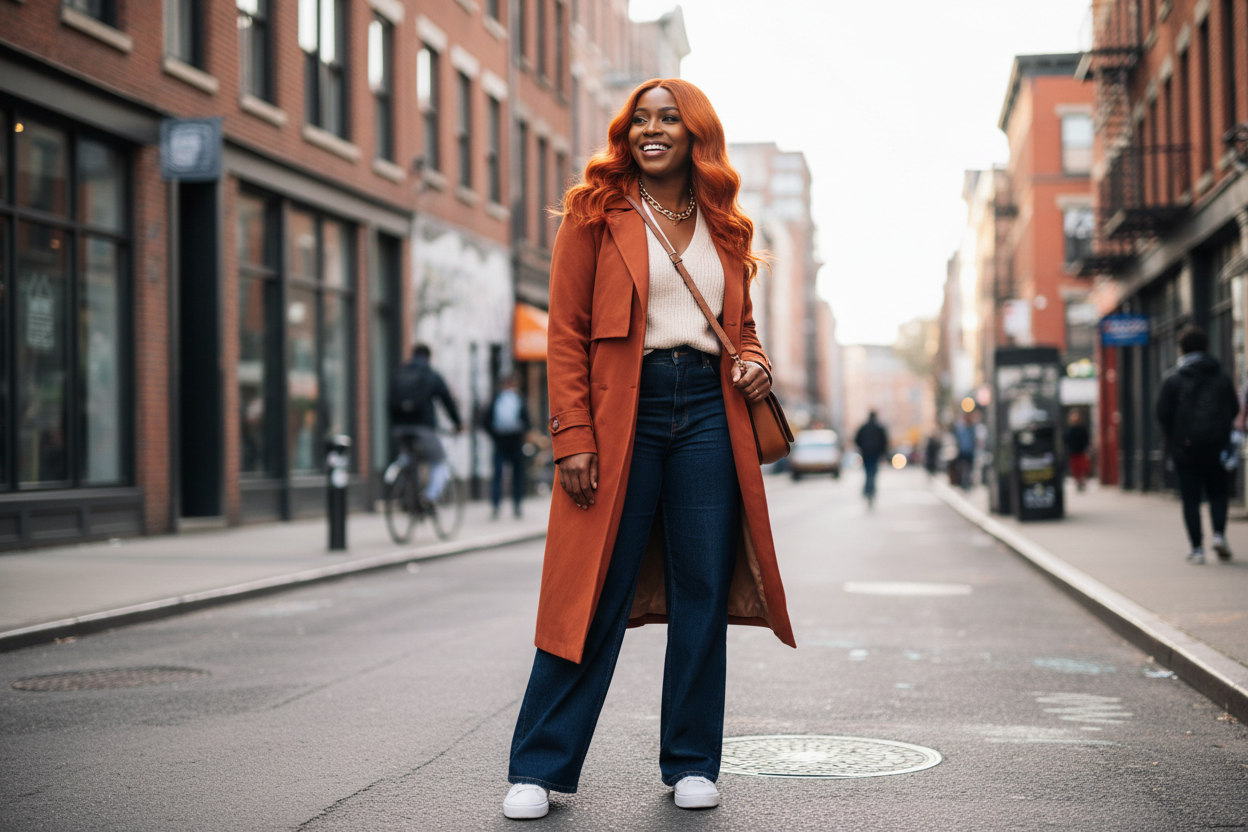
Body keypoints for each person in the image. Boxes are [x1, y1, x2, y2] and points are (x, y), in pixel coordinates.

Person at [502, 78, 795, 820]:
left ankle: (692, 762)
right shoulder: (594, 212)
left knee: (702, 589)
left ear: (696, 134)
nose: (651, 130)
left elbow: (743, 324)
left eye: (668, 119)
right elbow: (564, 334)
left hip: (706, 407)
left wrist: (754, 360)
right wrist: (573, 434)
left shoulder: (726, 224)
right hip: (617, 410)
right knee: (591, 591)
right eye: (640, 120)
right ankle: (539, 767)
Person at [1155, 326, 1240, 564]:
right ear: (1206, 348)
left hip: (1185, 449)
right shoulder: (1221, 377)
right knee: (1218, 493)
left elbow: (1162, 413)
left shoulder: (1173, 379)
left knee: (1190, 499)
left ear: (1181, 349)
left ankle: (1197, 549)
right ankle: (1219, 535)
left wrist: (1173, 438)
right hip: (1217, 446)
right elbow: (1233, 409)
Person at [388, 344, 463, 501]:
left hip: (400, 428)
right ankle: (430, 497)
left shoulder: (399, 374)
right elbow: (446, 401)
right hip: (423, 427)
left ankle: (407, 487)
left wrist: (395, 425)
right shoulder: (431, 375)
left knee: (408, 457)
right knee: (438, 462)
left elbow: (389, 402)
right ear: (429, 357)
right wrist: (457, 423)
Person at [486, 374, 531, 519]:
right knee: (509, 474)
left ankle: (508, 506)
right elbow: (527, 420)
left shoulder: (500, 399)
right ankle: (501, 506)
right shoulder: (516, 399)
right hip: (507, 440)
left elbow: (486, 419)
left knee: (508, 474)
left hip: (508, 440)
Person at [854, 411, 889, 507]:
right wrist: (883, 453)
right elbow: (884, 442)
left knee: (867, 473)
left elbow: (856, 439)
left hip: (866, 454)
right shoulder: (879, 428)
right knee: (873, 473)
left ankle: (867, 490)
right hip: (875, 454)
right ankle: (871, 491)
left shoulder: (863, 427)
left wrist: (862, 448)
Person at [1065, 410, 1092, 492]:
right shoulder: (1069, 430)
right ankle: (1078, 482)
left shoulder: (1082, 429)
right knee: (1075, 469)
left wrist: (1086, 448)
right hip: (1073, 452)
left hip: (1081, 451)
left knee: (1083, 468)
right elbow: (1066, 440)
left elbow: (1086, 439)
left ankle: (1082, 481)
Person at [952, 415, 976, 491]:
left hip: (969, 453)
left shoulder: (971, 429)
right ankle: (965, 484)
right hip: (963, 453)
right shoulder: (961, 429)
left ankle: (967, 483)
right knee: (964, 469)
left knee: (968, 469)